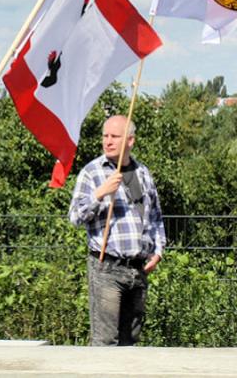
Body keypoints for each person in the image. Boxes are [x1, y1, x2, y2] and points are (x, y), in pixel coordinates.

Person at [68, 115, 166, 346]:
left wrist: (159, 251)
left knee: (129, 341)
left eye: (115, 136)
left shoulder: (142, 172)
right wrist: (100, 194)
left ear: (130, 141)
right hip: (107, 268)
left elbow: (156, 217)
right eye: (105, 136)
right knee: (105, 343)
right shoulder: (92, 172)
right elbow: (75, 217)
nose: (108, 141)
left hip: (138, 269)